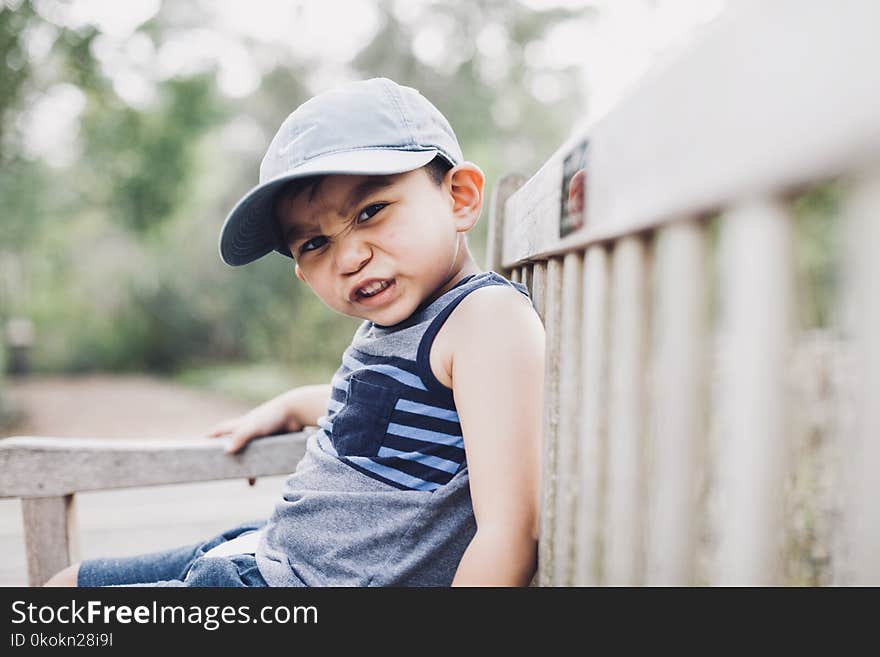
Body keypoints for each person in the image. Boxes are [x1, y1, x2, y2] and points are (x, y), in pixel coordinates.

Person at [45, 77, 544, 587]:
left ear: (459, 197)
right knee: (62, 585)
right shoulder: (404, 321)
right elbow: (380, 413)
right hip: (266, 552)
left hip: (303, 586)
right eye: (314, 244)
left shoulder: (485, 320)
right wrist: (289, 406)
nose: (349, 257)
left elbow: (509, 533)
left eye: (371, 212)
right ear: (302, 273)